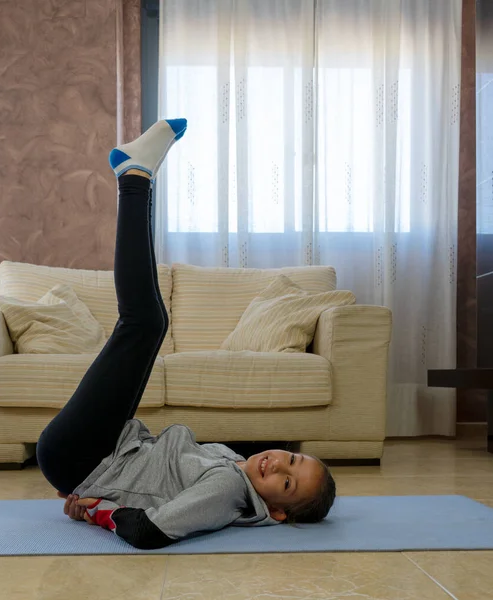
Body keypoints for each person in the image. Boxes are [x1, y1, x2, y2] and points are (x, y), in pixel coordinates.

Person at [36, 119, 336, 550]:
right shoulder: (238, 467)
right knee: (150, 322)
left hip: (84, 456)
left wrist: (98, 510)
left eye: (287, 484)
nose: (277, 466)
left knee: (142, 323)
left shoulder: (229, 494)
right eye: (292, 459)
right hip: (100, 451)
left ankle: (134, 178)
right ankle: (135, 175)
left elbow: (148, 531)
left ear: (278, 513)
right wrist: (98, 498)